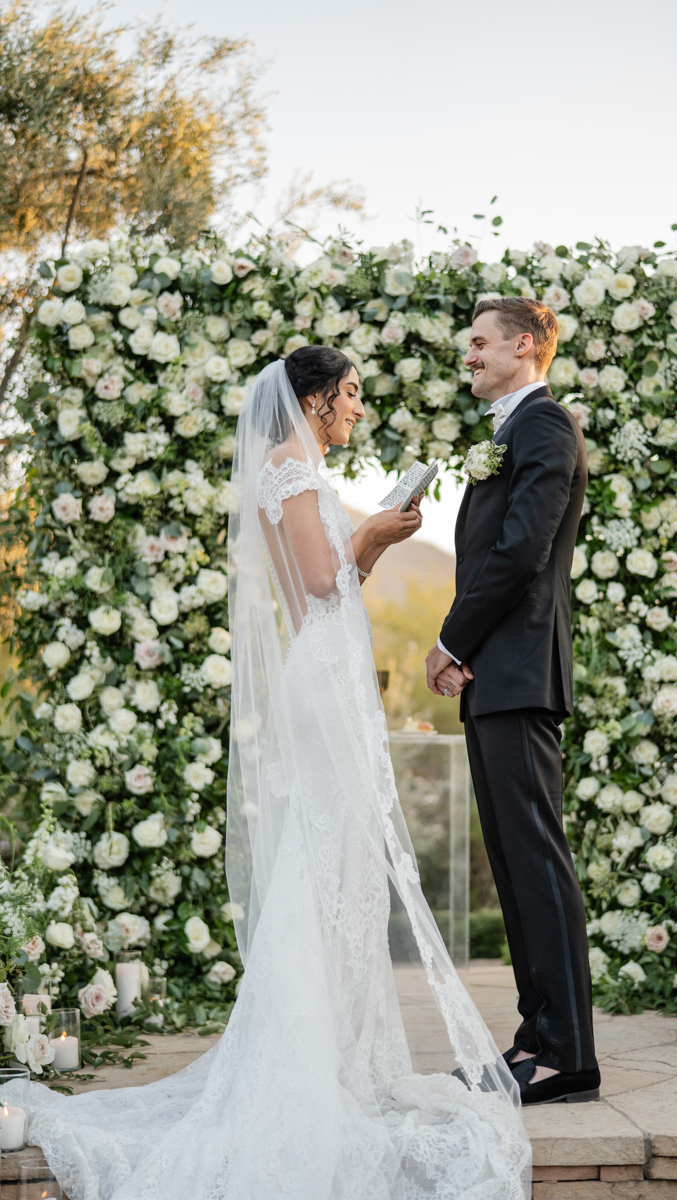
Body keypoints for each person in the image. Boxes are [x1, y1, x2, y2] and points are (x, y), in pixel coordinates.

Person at [24, 348, 531, 1199]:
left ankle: (334, 1056)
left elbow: (334, 585)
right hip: (322, 677)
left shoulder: (297, 468)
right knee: (324, 864)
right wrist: (370, 532)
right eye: (352, 396)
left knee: (335, 863)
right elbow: (322, 577)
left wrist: (370, 541)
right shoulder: (291, 467)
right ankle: (301, 1070)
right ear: (313, 400)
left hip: (328, 664)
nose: (359, 412)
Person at [425, 297, 600, 1106]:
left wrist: (453, 640)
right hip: (499, 671)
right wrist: (471, 655)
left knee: (537, 859)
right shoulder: (508, 432)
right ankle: (537, 1038)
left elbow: (522, 550)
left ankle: (569, 1054)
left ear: (523, 347)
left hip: (523, 670)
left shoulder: (543, 425)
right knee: (514, 861)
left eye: (480, 343)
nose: (470, 356)